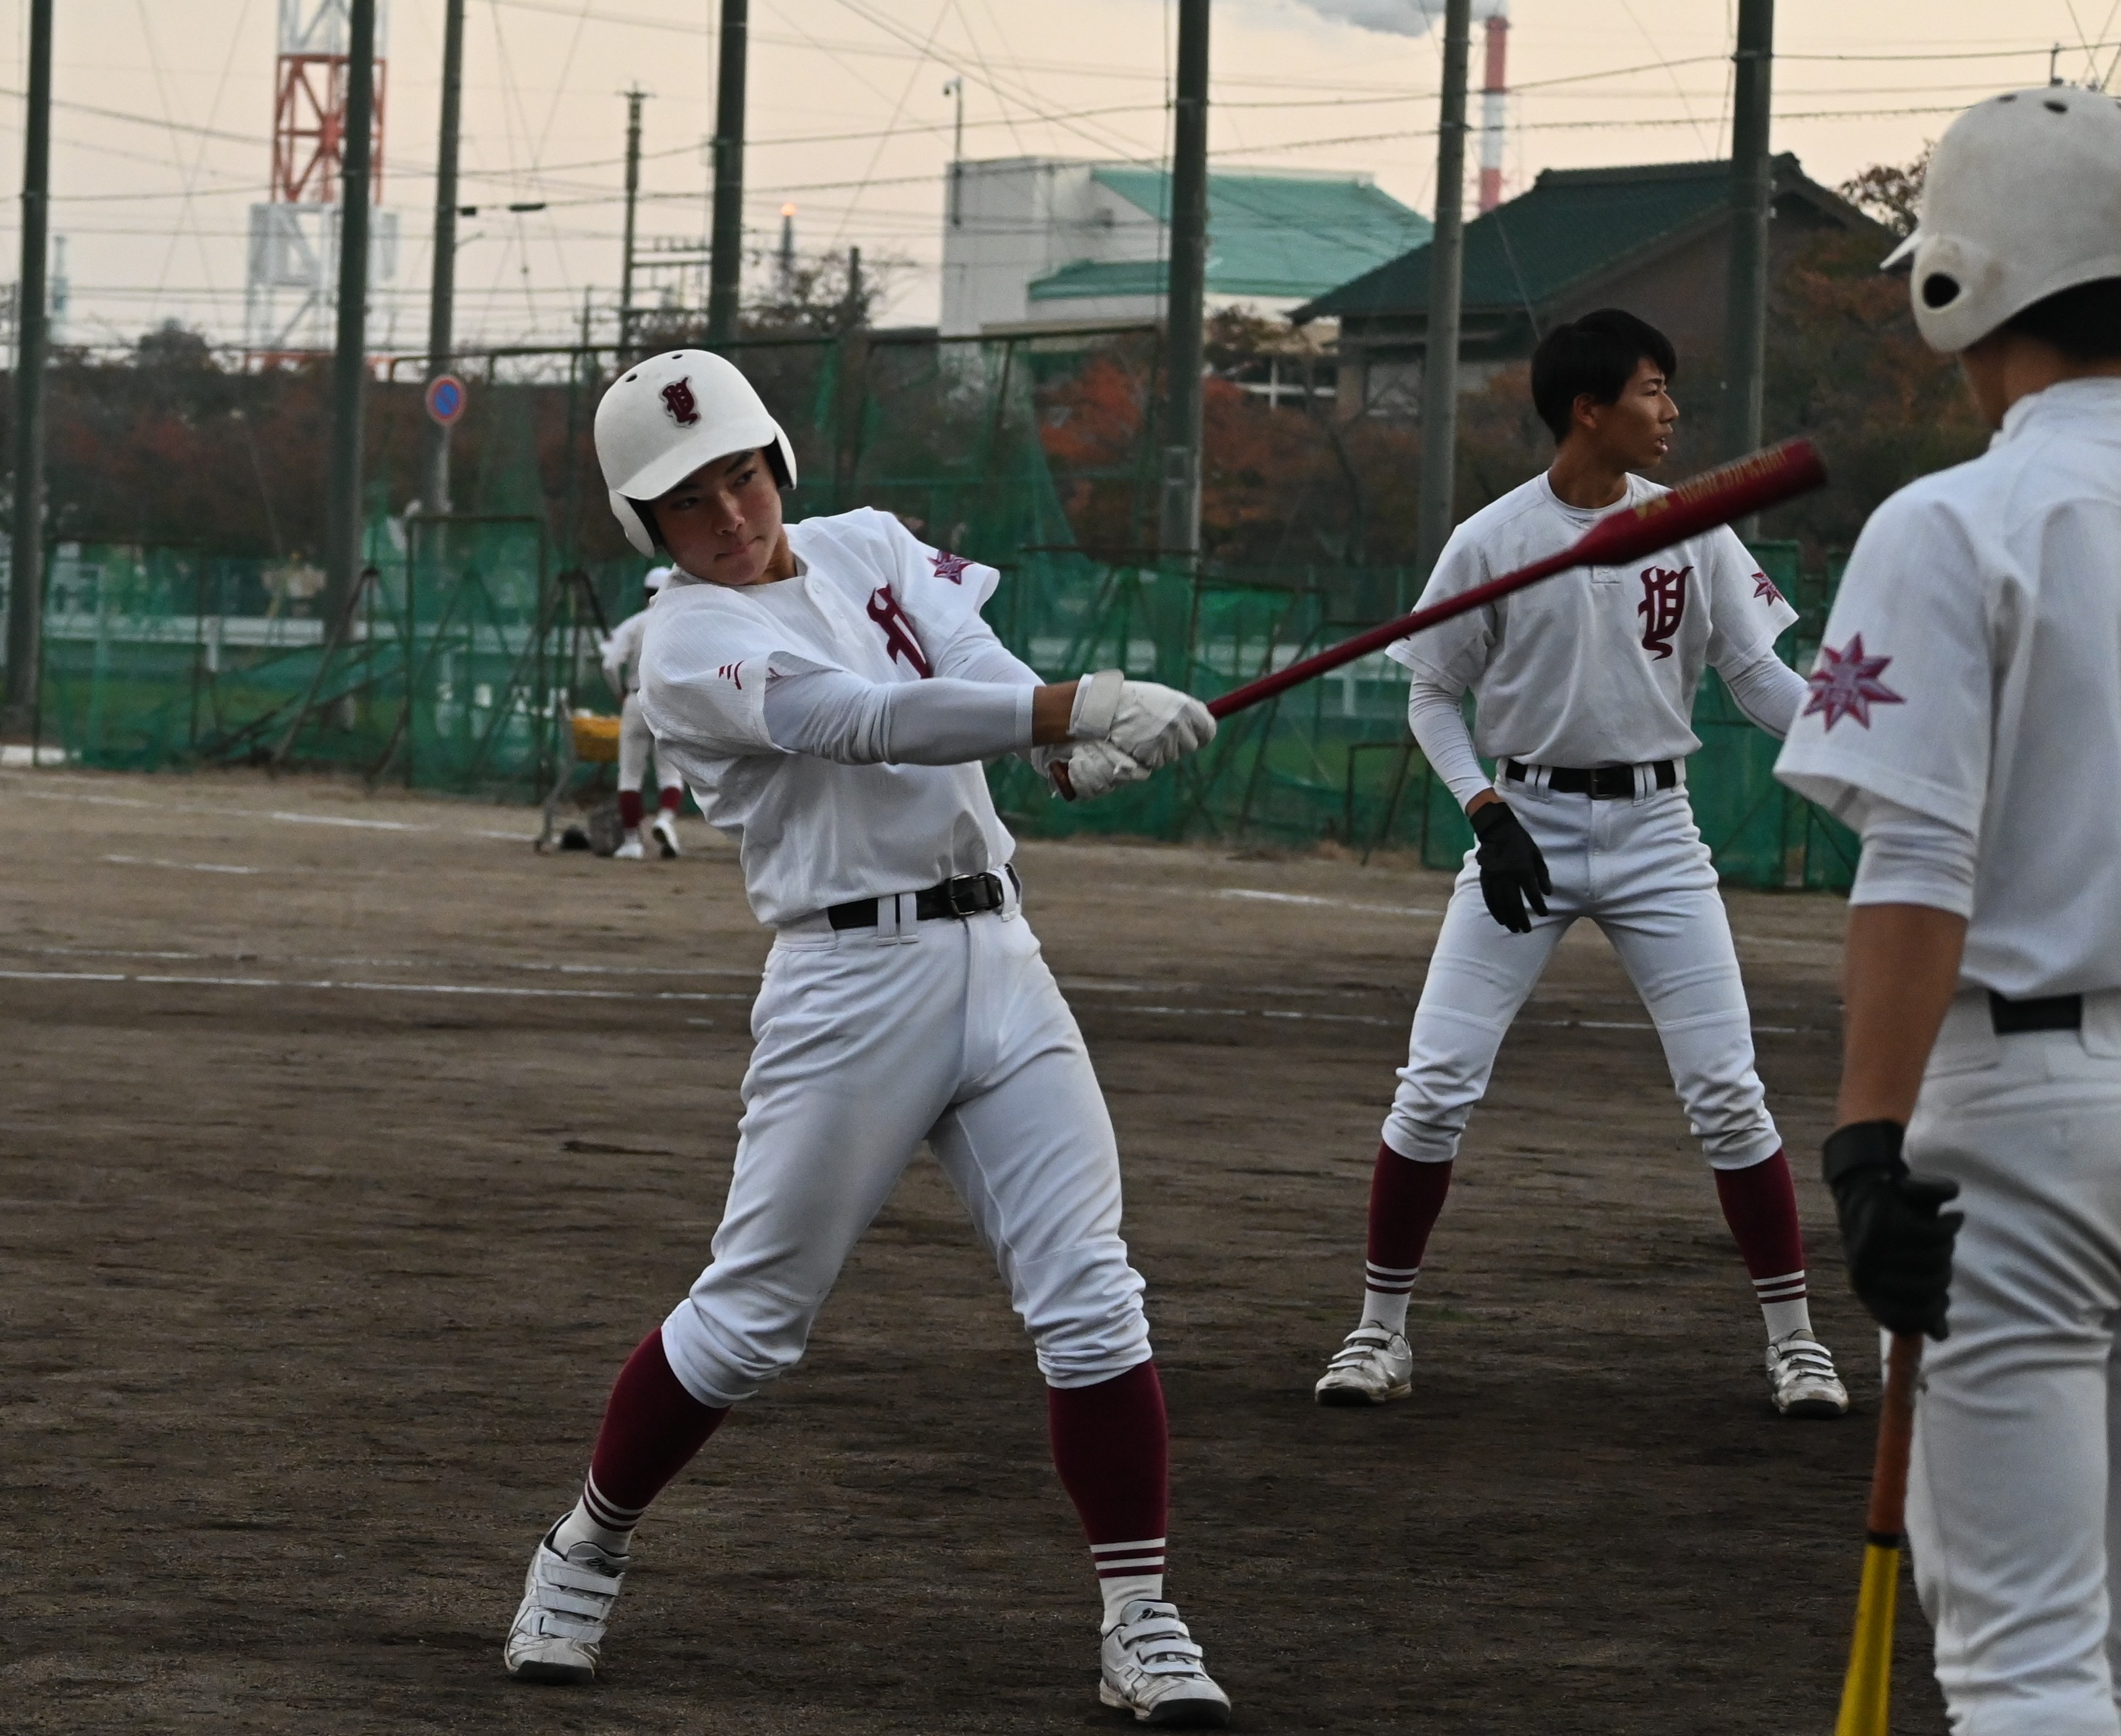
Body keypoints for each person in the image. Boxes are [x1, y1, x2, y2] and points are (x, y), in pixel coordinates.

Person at [503, 349, 1234, 1727]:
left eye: (741, 473)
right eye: (689, 500)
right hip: (849, 983)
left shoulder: (871, 543)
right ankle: (585, 1544)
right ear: (644, 527)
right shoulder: (680, 642)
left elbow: (966, 662)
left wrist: (1056, 743)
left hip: (1000, 956)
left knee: (1091, 1295)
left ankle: (1139, 1615)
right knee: (747, 1321)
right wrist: (1069, 709)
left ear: (777, 458)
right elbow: (860, 721)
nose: (730, 512)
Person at [1312, 309, 1848, 1419]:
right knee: (1434, 1086)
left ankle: (1796, 1342)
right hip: (1528, 824)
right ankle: (1378, 1330)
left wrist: (1866, 751)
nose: (1672, 411)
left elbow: (1756, 680)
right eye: (1651, 390)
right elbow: (1430, 689)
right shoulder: (1491, 538)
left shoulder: (1694, 525)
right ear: (1586, 409)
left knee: (1728, 1095)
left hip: (1658, 832)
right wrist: (1483, 808)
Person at [1775, 88, 2121, 1732]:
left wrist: (1862, 1142)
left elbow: (1914, 869)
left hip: (2029, 1114)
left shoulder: (1959, 520)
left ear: (1963, 284)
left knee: (2030, 1660)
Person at [600, 566, 688, 860]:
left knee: (630, 774)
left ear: (645, 593)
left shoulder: (635, 623)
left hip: (637, 699)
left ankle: (632, 842)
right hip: (669, 702)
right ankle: (665, 819)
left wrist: (619, 692)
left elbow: (609, 664)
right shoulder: (680, 626)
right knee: (670, 772)